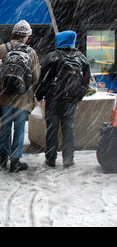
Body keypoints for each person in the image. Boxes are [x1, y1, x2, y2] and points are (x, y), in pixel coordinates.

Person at [35, 30, 91, 167]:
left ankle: (51, 158)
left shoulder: (52, 56)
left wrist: (40, 95)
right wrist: (78, 97)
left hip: (53, 100)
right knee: (69, 129)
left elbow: (42, 78)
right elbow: (86, 80)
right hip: (71, 100)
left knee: (52, 129)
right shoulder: (81, 57)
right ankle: (68, 158)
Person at [0, 20, 40, 172]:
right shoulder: (30, 52)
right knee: (19, 129)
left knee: (5, 127)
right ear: (26, 37)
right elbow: (35, 77)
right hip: (22, 98)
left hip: (5, 95)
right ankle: (15, 160)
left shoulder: (2, 48)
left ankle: (2, 157)